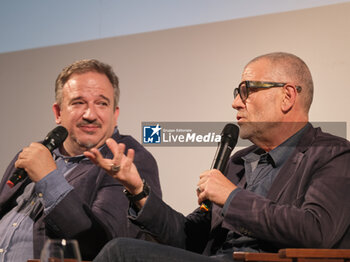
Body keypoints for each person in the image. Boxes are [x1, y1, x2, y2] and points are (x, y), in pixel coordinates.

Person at [89, 52, 350, 262]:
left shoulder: (332, 154)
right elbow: (189, 239)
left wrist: (232, 197)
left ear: (287, 96)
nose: (236, 103)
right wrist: (138, 191)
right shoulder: (238, 162)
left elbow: (316, 232)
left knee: (120, 253)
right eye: (237, 93)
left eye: (246, 90)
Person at [0, 59, 162, 261]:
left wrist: (48, 178)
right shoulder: (37, 152)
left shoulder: (128, 160)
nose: (90, 114)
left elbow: (104, 246)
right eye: (78, 103)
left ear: (115, 114)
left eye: (102, 104)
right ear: (58, 112)